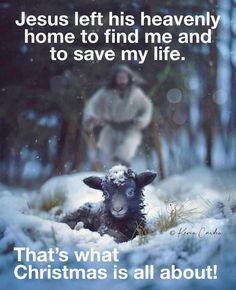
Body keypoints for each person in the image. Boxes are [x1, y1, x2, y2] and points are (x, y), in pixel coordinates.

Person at [83, 64, 153, 167]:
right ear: (115, 78)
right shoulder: (105, 92)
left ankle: (124, 169)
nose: (122, 80)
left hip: (130, 128)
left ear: (129, 78)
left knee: (125, 152)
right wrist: (91, 117)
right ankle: (112, 175)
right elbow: (92, 104)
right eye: (119, 77)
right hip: (110, 128)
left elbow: (147, 107)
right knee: (109, 157)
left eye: (124, 77)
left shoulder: (136, 93)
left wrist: (142, 120)